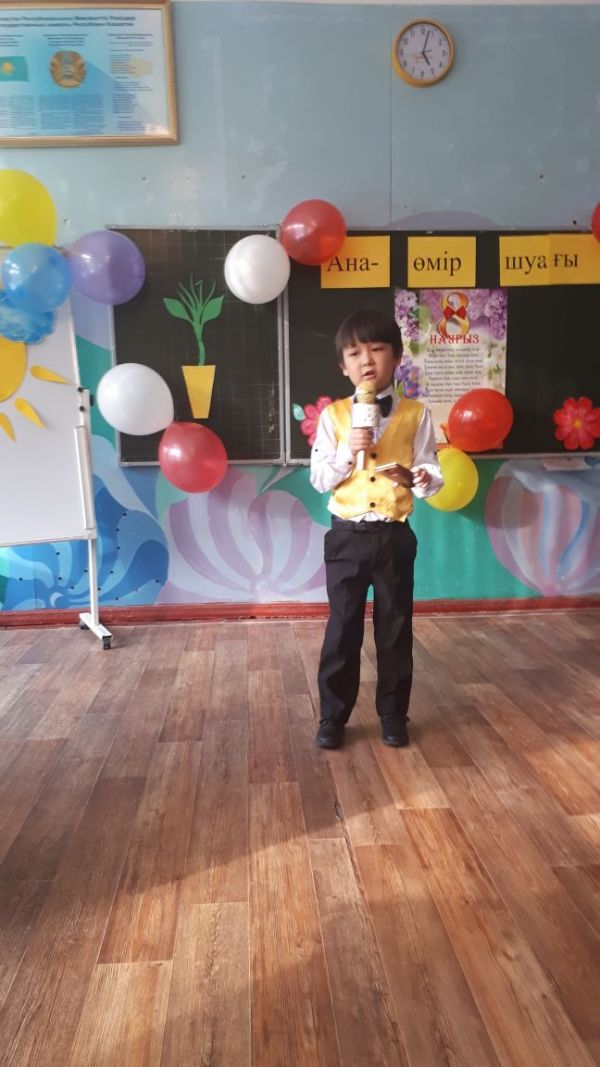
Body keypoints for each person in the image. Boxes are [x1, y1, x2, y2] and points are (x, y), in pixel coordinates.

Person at [310, 307, 443, 749]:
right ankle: (332, 717)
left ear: (397, 356)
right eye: (355, 353)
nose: (366, 360)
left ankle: (393, 714)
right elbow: (320, 479)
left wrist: (421, 478)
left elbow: (431, 470)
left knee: (395, 628)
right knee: (342, 629)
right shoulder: (332, 417)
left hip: (393, 535)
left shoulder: (416, 414)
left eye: (377, 349)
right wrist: (348, 451)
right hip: (346, 536)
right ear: (343, 366)